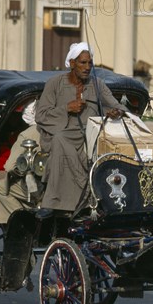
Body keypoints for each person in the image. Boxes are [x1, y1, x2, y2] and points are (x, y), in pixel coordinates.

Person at [35, 42, 128, 216]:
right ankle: (53, 201)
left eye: (90, 63)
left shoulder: (97, 84)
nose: (87, 67)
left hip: (91, 136)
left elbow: (117, 106)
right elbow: (41, 115)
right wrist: (66, 108)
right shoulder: (54, 84)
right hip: (63, 134)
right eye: (82, 63)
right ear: (71, 63)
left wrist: (117, 112)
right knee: (60, 140)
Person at [0, 100, 42, 225]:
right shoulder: (63, 129)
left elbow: (10, 167)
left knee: (0, 187)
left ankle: (22, 223)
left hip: (39, 188)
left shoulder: (28, 134)